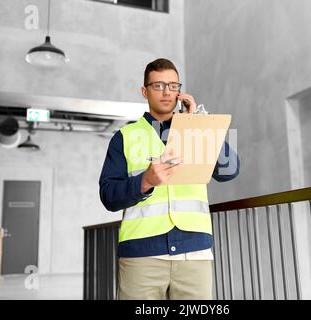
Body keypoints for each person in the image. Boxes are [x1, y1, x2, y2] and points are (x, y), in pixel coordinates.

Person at [99, 58, 239, 300]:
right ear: (145, 91)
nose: (167, 92)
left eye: (173, 86)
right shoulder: (124, 137)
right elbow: (108, 196)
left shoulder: (195, 128)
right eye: (158, 86)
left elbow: (229, 171)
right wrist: (145, 181)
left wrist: (198, 124)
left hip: (194, 252)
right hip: (142, 254)